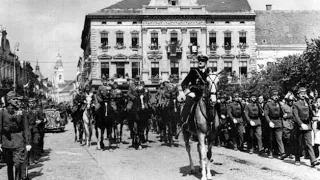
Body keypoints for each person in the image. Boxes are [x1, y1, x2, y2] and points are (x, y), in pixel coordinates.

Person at [0, 91, 31, 180]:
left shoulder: (21, 112)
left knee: (17, 163)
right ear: (9, 100)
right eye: (14, 99)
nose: (16, 101)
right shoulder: (2, 112)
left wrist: (28, 142)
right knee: (9, 164)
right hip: (7, 141)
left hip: (19, 141)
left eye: (17, 99)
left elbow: (26, 128)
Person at [180, 55, 212, 127]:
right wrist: (189, 92)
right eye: (199, 61)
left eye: (202, 61)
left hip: (206, 95)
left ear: (206, 62)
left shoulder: (209, 72)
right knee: (188, 104)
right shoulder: (193, 71)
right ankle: (184, 123)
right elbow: (184, 83)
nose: (200, 62)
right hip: (194, 95)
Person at [292, 87, 320, 167]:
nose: (303, 95)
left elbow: (311, 114)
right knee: (299, 143)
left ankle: (313, 160)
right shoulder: (295, 104)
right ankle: (297, 158)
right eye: (301, 93)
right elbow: (296, 116)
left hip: (307, 125)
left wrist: (314, 117)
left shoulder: (308, 103)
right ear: (298, 94)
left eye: (304, 93)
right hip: (299, 126)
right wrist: (301, 124)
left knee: (309, 143)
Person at [264, 89, 285, 159]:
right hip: (271, 122)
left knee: (279, 138)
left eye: (277, 95)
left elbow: (282, 113)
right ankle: (270, 151)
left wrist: (284, 115)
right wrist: (269, 122)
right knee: (271, 139)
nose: (276, 97)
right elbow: (266, 115)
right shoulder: (268, 104)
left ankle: (282, 153)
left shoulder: (279, 104)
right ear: (271, 96)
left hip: (278, 122)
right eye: (274, 95)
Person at [281, 93, 295, 160]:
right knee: (287, 139)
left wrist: (288, 115)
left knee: (292, 139)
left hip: (293, 124)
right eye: (289, 100)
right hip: (286, 124)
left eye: (292, 100)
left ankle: (290, 153)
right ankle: (286, 152)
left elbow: (295, 115)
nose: (291, 102)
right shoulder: (283, 107)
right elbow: (282, 115)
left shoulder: (294, 106)